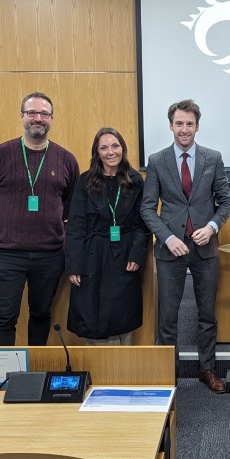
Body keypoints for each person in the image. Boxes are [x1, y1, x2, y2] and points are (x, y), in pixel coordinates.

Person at [141, 99, 230, 393]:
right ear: (171, 126)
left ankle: (207, 369)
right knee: (168, 316)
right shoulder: (157, 161)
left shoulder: (212, 158)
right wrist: (167, 237)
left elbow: (226, 201)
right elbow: (147, 209)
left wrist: (212, 227)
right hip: (170, 249)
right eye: (179, 123)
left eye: (189, 124)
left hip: (205, 249)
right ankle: (167, 373)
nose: (184, 129)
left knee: (207, 313)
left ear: (197, 126)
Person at [0, 92, 79, 346]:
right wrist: (5, 222)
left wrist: (48, 219)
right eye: (32, 112)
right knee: (4, 317)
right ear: (22, 116)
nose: (38, 118)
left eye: (44, 114)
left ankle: (35, 376)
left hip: (50, 254)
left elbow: (71, 203)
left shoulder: (65, 159)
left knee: (41, 315)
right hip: (8, 254)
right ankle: (3, 377)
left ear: (52, 119)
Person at [65, 128, 151, 345]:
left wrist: (137, 255)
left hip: (124, 255)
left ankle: (123, 370)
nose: (110, 152)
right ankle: (98, 369)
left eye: (115, 146)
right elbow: (75, 226)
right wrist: (74, 265)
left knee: (122, 314)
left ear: (122, 149)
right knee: (92, 315)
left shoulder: (135, 180)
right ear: (97, 152)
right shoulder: (85, 181)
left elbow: (142, 223)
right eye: (104, 147)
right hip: (91, 257)